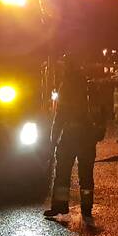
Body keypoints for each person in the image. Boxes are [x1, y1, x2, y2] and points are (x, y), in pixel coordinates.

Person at [44, 54, 102, 221]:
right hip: (87, 138)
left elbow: (60, 115)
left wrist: (53, 139)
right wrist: (97, 132)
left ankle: (60, 206)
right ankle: (86, 208)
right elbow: (99, 111)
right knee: (86, 175)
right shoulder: (88, 86)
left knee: (62, 173)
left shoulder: (67, 85)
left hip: (70, 136)